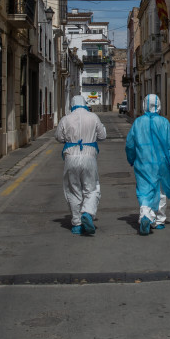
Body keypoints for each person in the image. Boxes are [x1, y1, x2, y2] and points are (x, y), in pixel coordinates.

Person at [124, 93, 170, 235]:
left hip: (143, 162)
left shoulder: (138, 123)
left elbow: (130, 144)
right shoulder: (164, 123)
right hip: (161, 163)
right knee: (160, 191)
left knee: (144, 190)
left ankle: (145, 215)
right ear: (159, 105)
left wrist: (131, 159)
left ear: (144, 105)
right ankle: (159, 220)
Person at [55, 95, 107, 235]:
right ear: (85, 103)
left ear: (72, 104)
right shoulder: (93, 117)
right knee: (91, 188)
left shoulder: (66, 119)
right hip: (89, 157)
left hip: (71, 158)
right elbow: (102, 136)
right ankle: (88, 212)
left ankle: (77, 223)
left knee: (73, 190)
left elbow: (59, 137)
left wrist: (70, 138)